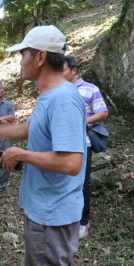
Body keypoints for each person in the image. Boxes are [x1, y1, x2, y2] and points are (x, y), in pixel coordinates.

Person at [0, 25, 86, 265]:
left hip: (53, 217)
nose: (20, 61)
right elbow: (27, 128)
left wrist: (21, 154)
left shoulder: (63, 99)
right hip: (44, 211)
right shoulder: (48, 96)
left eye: (23, 54)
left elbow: (72, 163)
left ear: (40, 57)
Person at [63, 55, 108, 239]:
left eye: (63, 70)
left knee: (82, 182)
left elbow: (103, 112)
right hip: (62, 143)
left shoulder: (90, 89)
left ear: (74, 70)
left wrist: (81, 121)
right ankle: (67, 218)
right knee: (64, 180)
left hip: (83, 143)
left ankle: (83, 221)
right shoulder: (60, 90)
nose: (60, 73)